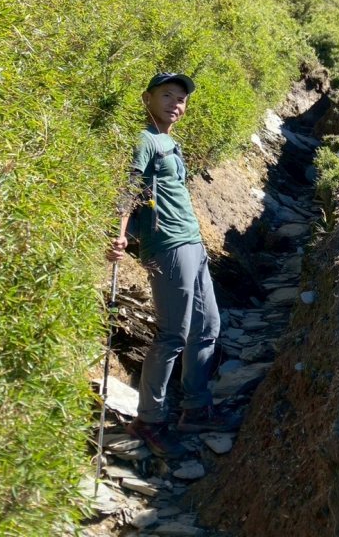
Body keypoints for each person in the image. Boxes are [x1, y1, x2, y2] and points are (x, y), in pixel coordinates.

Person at [107, 72, 239, 458]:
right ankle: (149, 420)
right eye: (167, 95)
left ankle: (195, 408)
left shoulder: (169, 142)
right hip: (166, 246)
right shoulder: (145, 140)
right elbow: (129, 187)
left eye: (180, 99)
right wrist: (118, 235)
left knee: (208, 326)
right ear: (146, 98)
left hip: (192, 243)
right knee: (172, 334)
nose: (175, 104)